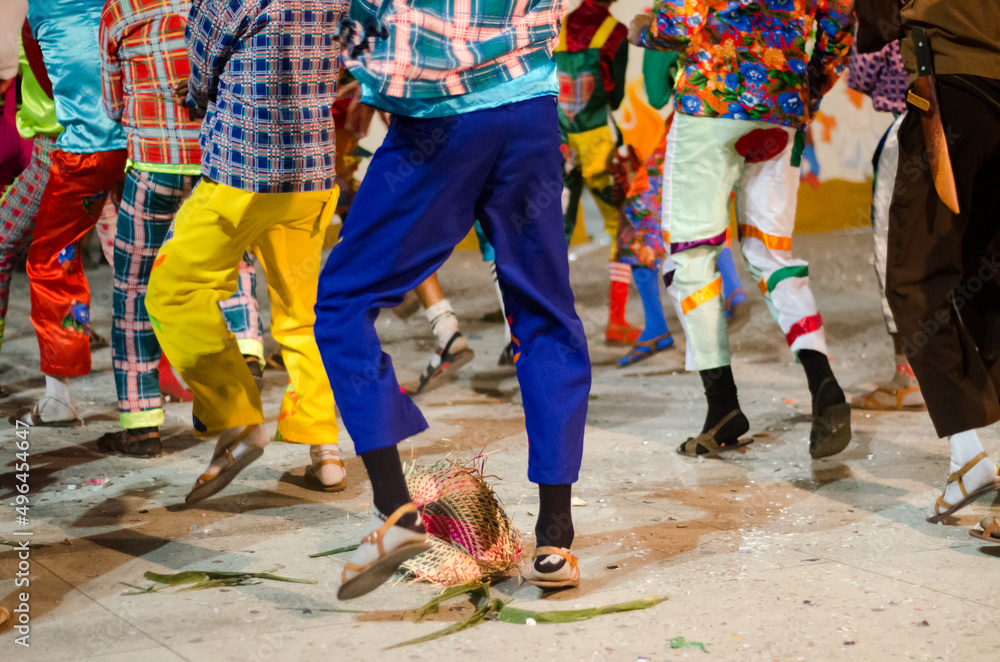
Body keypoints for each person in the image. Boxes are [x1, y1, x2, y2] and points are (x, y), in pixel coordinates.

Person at [315, 0, 590, 599]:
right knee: (545, 312)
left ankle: (396, 511)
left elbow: (359, 15)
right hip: (531, 109)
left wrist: (361, 71)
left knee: (341, 301)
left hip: (441, 122)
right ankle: (554, 539)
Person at [629, 0, 855, 459]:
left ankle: (723, 406)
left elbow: (679, 21)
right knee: (772, 254)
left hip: (710, 107)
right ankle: (824, 384)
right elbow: (840, 23)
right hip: (782, 110)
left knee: (691, 257)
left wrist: (644, 30)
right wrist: (804, 85)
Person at [145, 0, 347, 503]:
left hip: (242, 174)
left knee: (173, 291)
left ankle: (235, 416)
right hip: (313, 174)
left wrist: (196, 96)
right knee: (303, 317)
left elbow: (202, 66)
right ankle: (325, 449)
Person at [96, 0, 277, 460]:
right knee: (230, 262)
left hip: (151, 166)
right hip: (215, 162)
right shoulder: (219, 4)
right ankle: (247, 351)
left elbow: (113, 104)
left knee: (134, 288)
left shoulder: (120, 11)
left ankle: (140, 426)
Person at [856, 0, 1000, 523]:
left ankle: (968, 455)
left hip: (951, 91)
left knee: (915, 278)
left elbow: (876, 26)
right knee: (989, 280)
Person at [19, 0, 129, 426]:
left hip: (84, 157)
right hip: (139, 150)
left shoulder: (41, 12)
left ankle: (58, 396)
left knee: (50, 258)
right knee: (148, 259)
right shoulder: (119, 6)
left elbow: (46, 83)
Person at [846, 37, 924, 412]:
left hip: (915, 125)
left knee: (895, 249)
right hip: (978, 114)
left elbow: (862, 73)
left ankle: (909, 375)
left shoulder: (885, 10)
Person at [557, 0, 639, 346]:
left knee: (555, 231)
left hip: (557, 141)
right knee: (622, 225)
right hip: (599, 144)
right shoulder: (615, 32)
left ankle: (551, 321)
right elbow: (616, 96)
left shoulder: (557, 24)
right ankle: (617, 321)